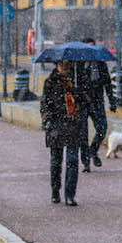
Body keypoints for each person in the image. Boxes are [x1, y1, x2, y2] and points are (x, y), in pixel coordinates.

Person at [40, 59, 87, 205]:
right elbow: (45, 104)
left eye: (67, 64)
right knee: (56, 161)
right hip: (56, 125)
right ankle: (55, 190)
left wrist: (77, 94)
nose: (65, 67)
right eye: (62, 64)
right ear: (57, 66)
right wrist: (47, 119)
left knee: (72, 161)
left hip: (73, 125)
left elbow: (86, 101)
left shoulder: (77, 81)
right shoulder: (50, 82)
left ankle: (70, 194)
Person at [74, 38, 117, 170]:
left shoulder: (100, 64)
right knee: (83, 135)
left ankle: (93, 150)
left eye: (93, 47)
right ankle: (86, 162)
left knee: (102, 129)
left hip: (97, 102)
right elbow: (73, 85)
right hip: (82, 103)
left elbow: (107, 84)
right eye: (88, 48)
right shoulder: (77, 65)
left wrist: (112, 101)